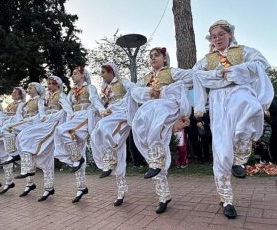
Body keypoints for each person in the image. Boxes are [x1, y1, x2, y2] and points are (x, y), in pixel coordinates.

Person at [192, 20, 274, 219]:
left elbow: (263, 64)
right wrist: (200, 105)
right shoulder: (207, 59)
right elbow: (194, 75)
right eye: (213, 36)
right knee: (221, 151)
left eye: (221, 34)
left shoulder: (243, 51)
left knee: (250, 109)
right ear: (210, 40)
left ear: (229, 34)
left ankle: (240, 159)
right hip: (219, 102)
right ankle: (226, 200)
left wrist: (239, 71)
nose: (217, 38)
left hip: (239, 92)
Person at [131, 47, 192, 214]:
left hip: (167, 111)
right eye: (150, 56)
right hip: (153, 115)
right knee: (152, 146)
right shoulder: (146, 77)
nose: (152, 59)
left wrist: (166, 92)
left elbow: (189, 78)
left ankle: (157, 164)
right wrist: (148, 91)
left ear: (165, 58)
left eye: (156, 55)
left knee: (154, 140)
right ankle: (163, 196)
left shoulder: (171, 72)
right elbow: (134, 90)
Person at [54, 66, 104, 203]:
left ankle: (77, 158)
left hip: (85, 117)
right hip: (75, 117)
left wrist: (102, 110)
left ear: (82, 75)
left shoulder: (90, 87)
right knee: (78, 151)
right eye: (72, 74)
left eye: (75, 74)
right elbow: (67, 106)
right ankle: (81, 187)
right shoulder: (71, 91)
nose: (72, 76)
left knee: (62, 130)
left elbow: (94, 100)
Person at [90, 62, 136, 206]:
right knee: (119, 154)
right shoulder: (105, 88)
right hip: (111, 118)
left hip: (121, 116)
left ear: (111, 72)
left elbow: (134, 91)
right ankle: (121, 192)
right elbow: (102, 103)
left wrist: (117, 107)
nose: (102, 75)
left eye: (103, 72)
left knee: (102, 126)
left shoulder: (123, 82)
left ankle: (108, 161)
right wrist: (99, 104)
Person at [16, 76, 69, 199]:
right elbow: (42, 111)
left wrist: (66, 125)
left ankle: (46, 186)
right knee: (25, 138)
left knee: (46, 155)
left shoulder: (61, 95)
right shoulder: (45, 97)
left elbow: (67, 110)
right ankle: (43, 184)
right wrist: (44, 116)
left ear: (57, 85)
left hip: (54, 125)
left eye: (52, 83)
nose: (49, 85)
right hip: (45, 124)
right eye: (48, 83)